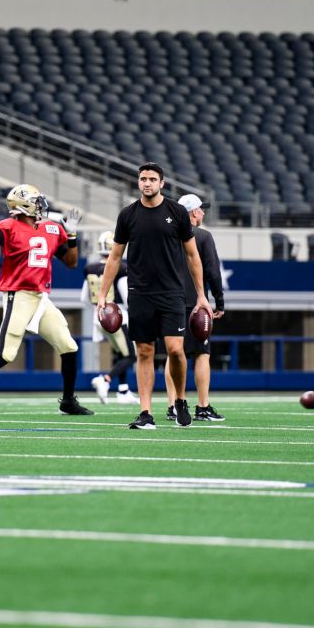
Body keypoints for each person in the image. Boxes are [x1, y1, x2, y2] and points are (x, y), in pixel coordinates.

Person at [0, 185, 93, 417]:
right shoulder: (9, 227)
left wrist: (72, 234)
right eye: (35, 202)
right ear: (23, 206)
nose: (40, 206)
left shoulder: (51, 229)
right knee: (6, 353)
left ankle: (68, 401)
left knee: (69, 347)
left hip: (41, 298)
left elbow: (72, 262)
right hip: (19, 295)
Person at [96, 162, 212, 429]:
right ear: (138, 182)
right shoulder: (128, 215)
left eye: (152, 179)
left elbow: (193, 256)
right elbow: (114, 257)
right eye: (143, 179)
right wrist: (104, 294)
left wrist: (201, 296)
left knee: (175, 350)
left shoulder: (177, 213)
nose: (147, 183)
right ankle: (145, 412)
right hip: (140, 293)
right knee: (145, 352)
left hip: (172, 292)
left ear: (162, 183)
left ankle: (180, 400)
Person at [163, 194, 226, 422]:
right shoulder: (202, 236)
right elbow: (213, 271)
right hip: (195, 304)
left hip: (170, 302)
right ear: (193, 213)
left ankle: (172, 405)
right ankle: (203, 406)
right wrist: (219, 301)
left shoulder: (167, 236)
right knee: (201, 354)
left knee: (173, 353)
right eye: (201, 209)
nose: (203, 213)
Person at [83, 231, 137, 404]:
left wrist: (98, 311)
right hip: (118, 317)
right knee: (131, 356)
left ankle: (123, 390)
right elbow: (126, 296)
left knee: (121, 353)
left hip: (98, 318)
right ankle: (105, 380)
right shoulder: (119, 267)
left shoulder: (90, 268)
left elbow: (84, 298)